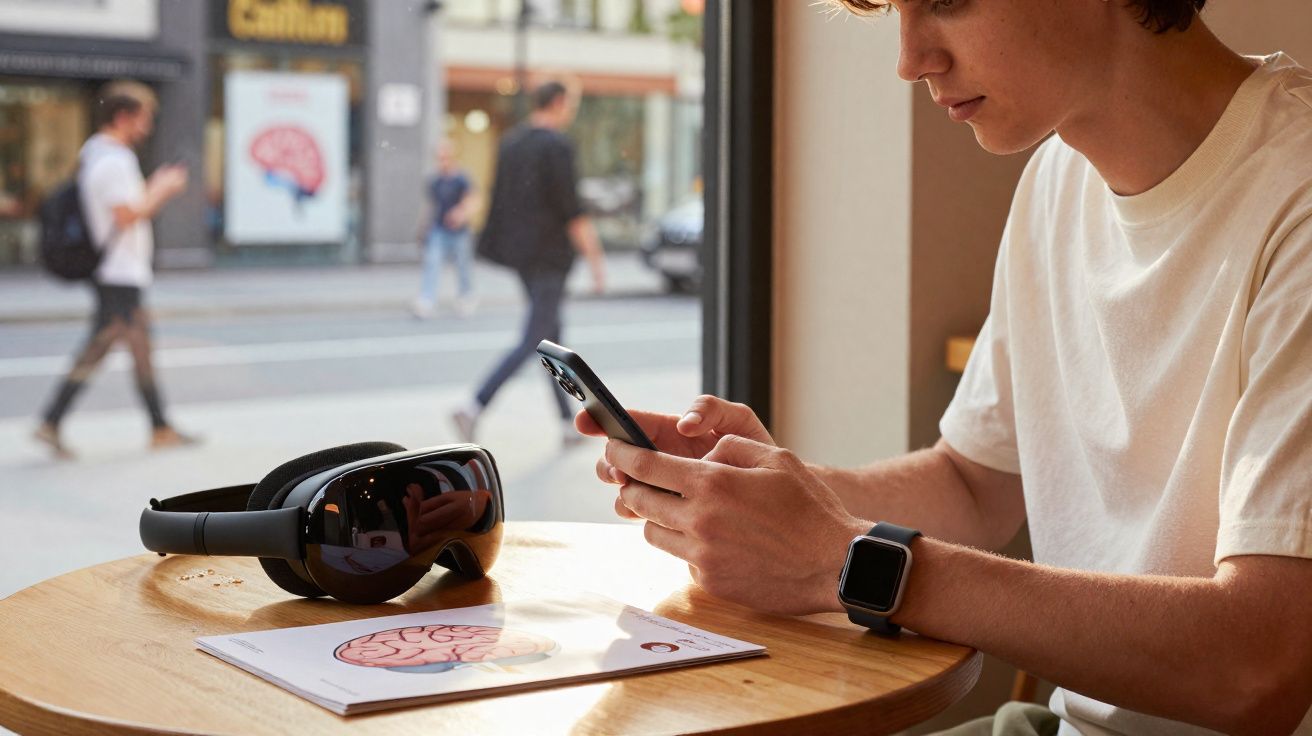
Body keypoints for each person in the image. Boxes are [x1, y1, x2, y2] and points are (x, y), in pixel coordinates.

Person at [581, 1, 1312, 734]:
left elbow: (1259, 668)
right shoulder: (1058, 179)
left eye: (946, 1)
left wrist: (844, 561)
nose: (909, 60)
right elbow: (972, 484)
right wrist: (773, 499)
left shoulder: (1296, 196)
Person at [33, 80, 194, 459]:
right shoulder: (112, 161)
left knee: (139, 348)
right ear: (123, 117)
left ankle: (159, 426)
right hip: (118, 273)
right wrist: (163, 188)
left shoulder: (98, 155)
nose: (148, 127)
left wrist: (151, 187)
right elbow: (127, 214)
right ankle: (52, 421)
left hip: (121, 273)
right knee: (98, 349)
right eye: (144, 118)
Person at [452, 80, 606, 448]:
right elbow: (573, 210)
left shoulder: (511, 143)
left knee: (551, 339)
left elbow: (501, 200)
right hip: (550, 258)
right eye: (570, 104)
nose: (571, 112)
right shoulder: (556, 146)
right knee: (535, 339)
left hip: (522, 256)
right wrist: (596, 262)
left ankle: (567, 424)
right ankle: (474, 405)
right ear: (557, 103)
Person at [412, 138, 480, 319]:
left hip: (460, 232)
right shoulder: (434, 180)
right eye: (439, 158)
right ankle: (427, 300)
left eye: (446, 157)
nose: (442, 161)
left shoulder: (461, 179)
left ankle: (466, 297)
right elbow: (430, 206)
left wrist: (461, 213)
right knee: (432, 263)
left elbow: (473, 200)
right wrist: (423, 228)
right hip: (439, 230)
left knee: (463, 266)